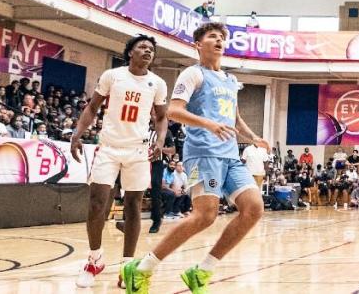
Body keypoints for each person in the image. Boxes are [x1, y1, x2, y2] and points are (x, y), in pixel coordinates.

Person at [124, 22, 270, 294]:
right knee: (205, 216)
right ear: (198, 45)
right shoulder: (192, 74)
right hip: (201, 155)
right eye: (212, 36)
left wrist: (253, 138)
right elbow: (174, 112)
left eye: (221, 38)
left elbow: (234, 118)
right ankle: (142, 268)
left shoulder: (228, 80)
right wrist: (209, 125)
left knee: (254, 208)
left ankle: (202, 271)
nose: (218, 41)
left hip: (229, 157)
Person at [72, 35, 169, 288]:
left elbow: (161, 118)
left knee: (134, 207)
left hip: (137, 151)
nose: (148, 51)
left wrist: (159, 141)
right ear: (130, 53)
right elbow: (92, 108)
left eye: (151, 49)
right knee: (96, 204)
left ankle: (128, 266)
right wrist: (77, 134)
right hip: (109, 148)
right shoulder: (112, 76)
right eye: (142, 47)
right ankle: (95, 259)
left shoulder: (157, 83)